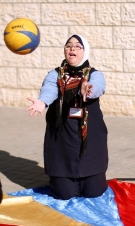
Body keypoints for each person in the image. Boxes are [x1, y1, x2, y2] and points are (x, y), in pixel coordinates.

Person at [25, 34, 108, 200]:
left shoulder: (94, 74)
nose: (72, 48)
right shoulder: (55, 74)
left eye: (77, 46)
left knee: (94, 192)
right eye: (68, 45)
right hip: (62, 139)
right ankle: (64, 179)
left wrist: (88, 91)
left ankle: (88, 178)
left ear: (85, 51)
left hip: (89, 140)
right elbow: (50, 89)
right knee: (64, 194)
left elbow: (98, 87)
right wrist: (42, 102)